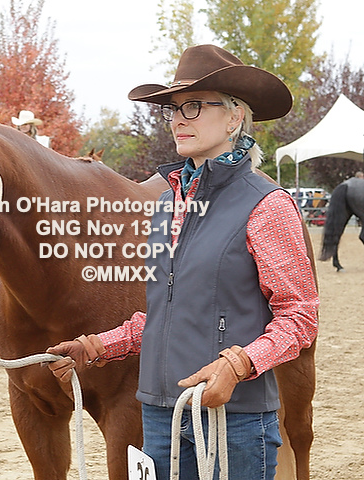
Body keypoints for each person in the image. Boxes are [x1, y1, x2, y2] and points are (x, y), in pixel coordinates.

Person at [45, 44, 319, 480]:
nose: (178, 119)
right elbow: (164, 316)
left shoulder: (267, 205)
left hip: (236, 419)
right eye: (172, 109)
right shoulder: (166, 207)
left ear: (234, 117)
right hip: (160, 415)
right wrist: (97, 347)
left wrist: (239, 365)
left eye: (193, 106)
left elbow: (299, 317)